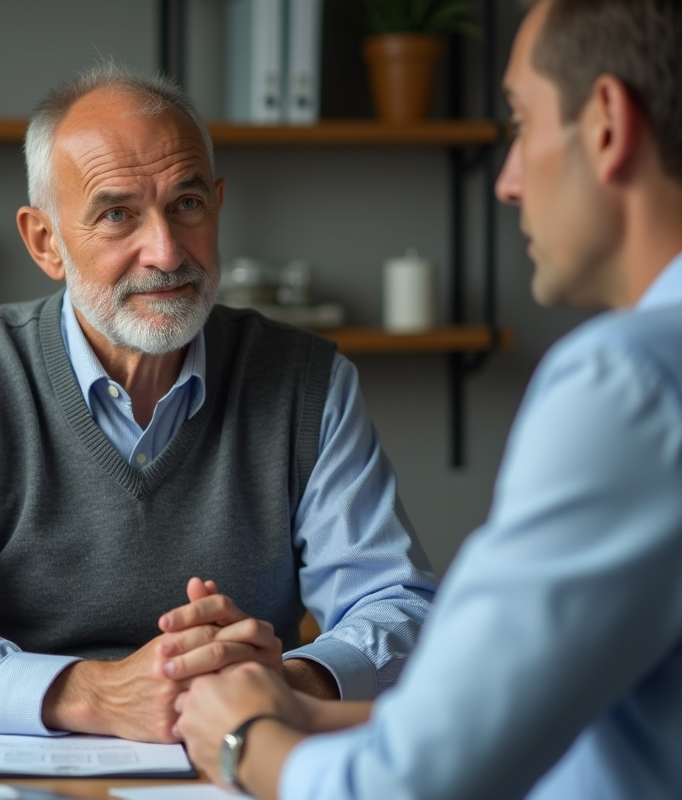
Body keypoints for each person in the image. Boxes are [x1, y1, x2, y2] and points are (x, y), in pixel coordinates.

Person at [0, 63, 439, 743]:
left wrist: (287, 684)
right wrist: (94, 693)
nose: (165, 250)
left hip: (236, 764)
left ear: (216, 203)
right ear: (45, 242)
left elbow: (400, 605)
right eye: (117, 213)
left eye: (186, 204)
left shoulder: (308, 381)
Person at [175, 0, 682, 796]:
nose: (509, 184)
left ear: (609, 125)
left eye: (519, 123)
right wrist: (294, 714)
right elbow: (554, 716)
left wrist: (243, 740)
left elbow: (413, 784)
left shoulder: (628, 383)